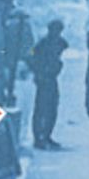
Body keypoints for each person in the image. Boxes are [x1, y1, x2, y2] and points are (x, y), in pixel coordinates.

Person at [28, 19, 68, 151]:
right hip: (43, 79)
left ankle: (47, 135)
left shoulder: (60, 43)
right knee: (41, 109)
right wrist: (38, 71)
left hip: (52, 78)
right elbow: (31, 55)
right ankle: (38, 138)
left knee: (52, 108)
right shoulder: (42, 44)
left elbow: (60, 54)